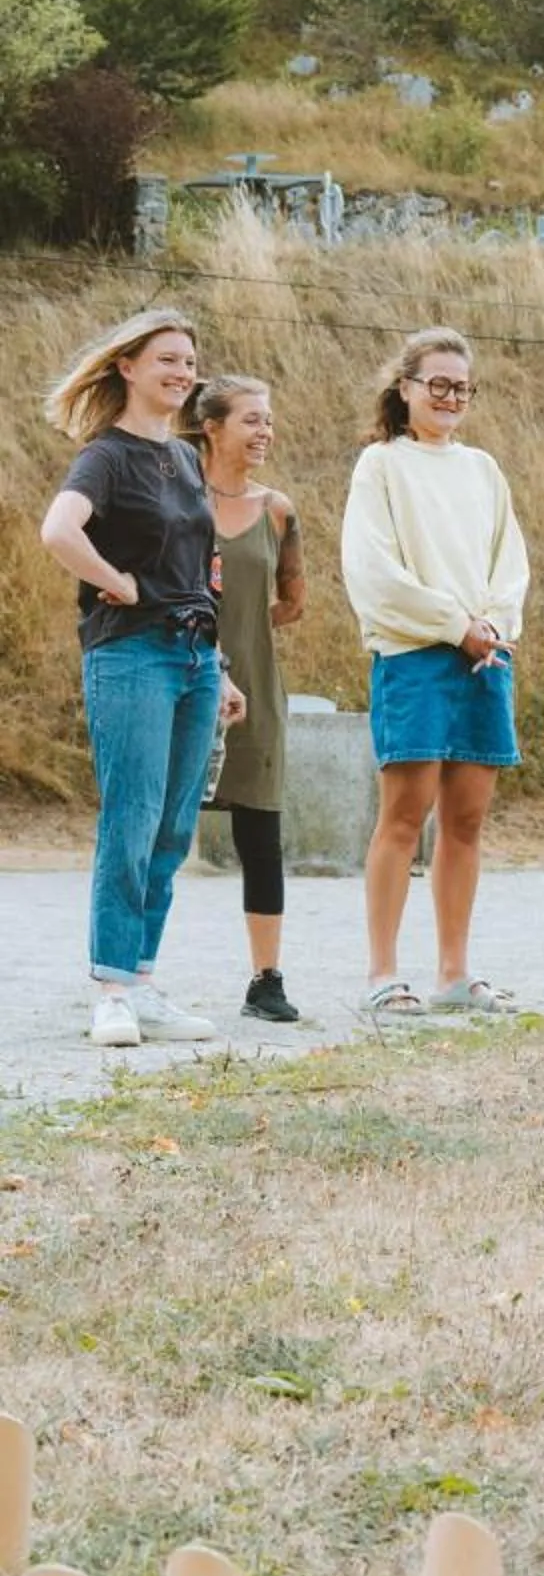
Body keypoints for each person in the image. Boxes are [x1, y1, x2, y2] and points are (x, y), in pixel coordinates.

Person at [38, 309, 247, 1050]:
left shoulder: (188, 460)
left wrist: (218, 667)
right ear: (128, 366)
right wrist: (112, 582)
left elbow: (197, 572)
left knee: (173, 828)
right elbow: (59, 530)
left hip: (192, 660)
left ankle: (144, 980)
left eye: (190, 361)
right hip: (130, 655)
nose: (183, 372)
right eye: (167, 359)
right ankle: (110, 992)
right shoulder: (108, 456)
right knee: (131, 819)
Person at [340, 327, 529, 1018]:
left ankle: (455, 972)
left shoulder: (482, 469)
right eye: (437, 384)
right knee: (403, 816)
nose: (450, 397)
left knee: (467, 820)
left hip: (486, 658)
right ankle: (382, 974)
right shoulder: (381, 466)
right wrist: (456, 625)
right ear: (406, 388)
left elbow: (511, 563)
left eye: (461, 387)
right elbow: (374, 572)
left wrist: (494, 627)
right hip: (414, 654)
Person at [196, 375, 306, 1025]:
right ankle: (133, 976)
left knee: (261, 836)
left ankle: (266, 980)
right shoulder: (178, 500)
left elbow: (293, 603)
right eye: (251, 421)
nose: (264, 432)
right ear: (212, 427)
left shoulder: (278, 510)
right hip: (181, 675)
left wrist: (243, 628)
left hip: (257, 688)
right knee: (159, 829)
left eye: (268, 421)